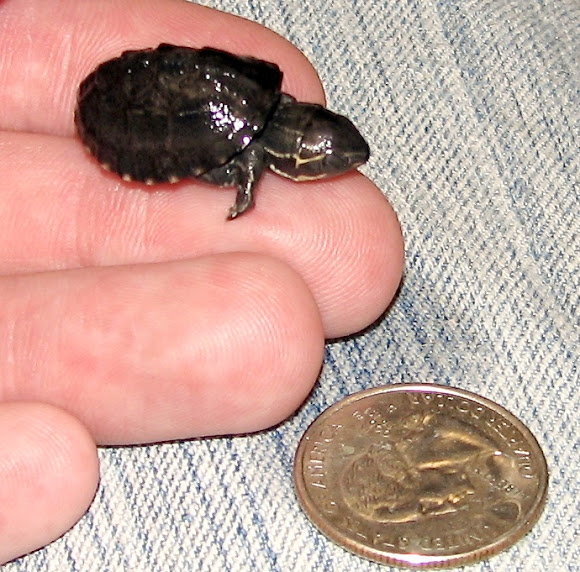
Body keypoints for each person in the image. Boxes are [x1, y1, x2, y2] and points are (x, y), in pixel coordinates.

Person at [0, 0, 404, 563]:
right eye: (329, 159)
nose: (342, 162)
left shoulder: (261, 96)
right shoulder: (248, 142)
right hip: (119, 107)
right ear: (297, 157)